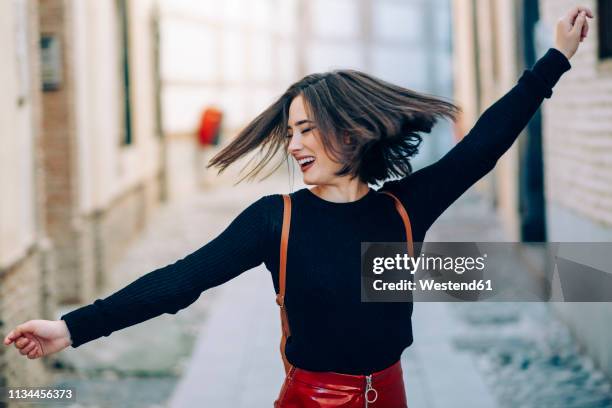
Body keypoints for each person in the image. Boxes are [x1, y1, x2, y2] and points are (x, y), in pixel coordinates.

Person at [3, 5, 593, 407]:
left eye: (308, 130)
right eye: (291, 132)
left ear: (350, 131)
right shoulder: (275, 220)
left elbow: (486, 146)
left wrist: (555, 60)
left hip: (392, 395)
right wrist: (71, 328)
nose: (295, 145)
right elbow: (180, 280)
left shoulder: (403, 211)